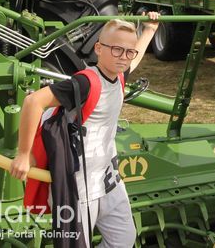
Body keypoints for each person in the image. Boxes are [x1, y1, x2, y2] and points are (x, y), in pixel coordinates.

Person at [10, 13, 160, 247]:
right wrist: (23, 153)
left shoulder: (120, 75)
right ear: (99, 48)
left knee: (124, 239)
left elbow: (135, 56)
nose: (124, 57)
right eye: (117, 50)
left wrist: (149, 30)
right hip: (78, 187)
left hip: (109, 180)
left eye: (128, 52)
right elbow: (33, 102)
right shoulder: (86, 83)